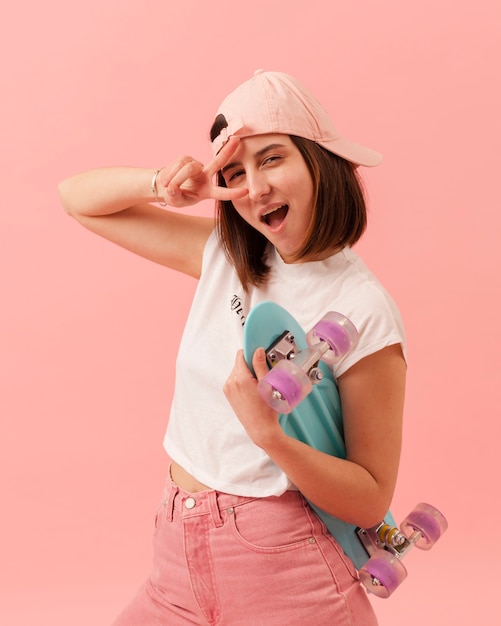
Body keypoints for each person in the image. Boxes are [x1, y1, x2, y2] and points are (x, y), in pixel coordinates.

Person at [59, 69, 406, 625]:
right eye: (235, 171)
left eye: (271, 158)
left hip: (283, 565)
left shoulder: (362, 307)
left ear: (320, 160)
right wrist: (165, 186)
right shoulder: (228, 257)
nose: (255, 186)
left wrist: (269, 435)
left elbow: (368, 498)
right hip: (176, 549)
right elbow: (76, 199)